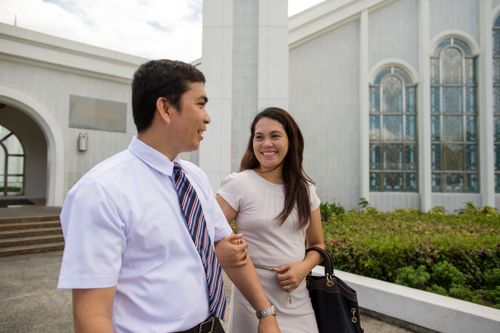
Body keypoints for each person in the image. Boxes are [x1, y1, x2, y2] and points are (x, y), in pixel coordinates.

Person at [57, 59, 281, 333]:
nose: (207, 117)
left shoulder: (193, 177)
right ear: (165, 108)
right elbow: (92, 316)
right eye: (200, 104)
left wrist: (266, 313)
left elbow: (228, 251)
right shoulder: (100, 191)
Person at [216, 107, 325, 333]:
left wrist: (302, 268)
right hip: (252, 302)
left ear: (290, 140)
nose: (266, 144)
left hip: (298, 301)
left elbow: (318, 244)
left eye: (275, 136)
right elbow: (208, 233)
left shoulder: (306, 190)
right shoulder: (239, 184)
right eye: (259, 137)